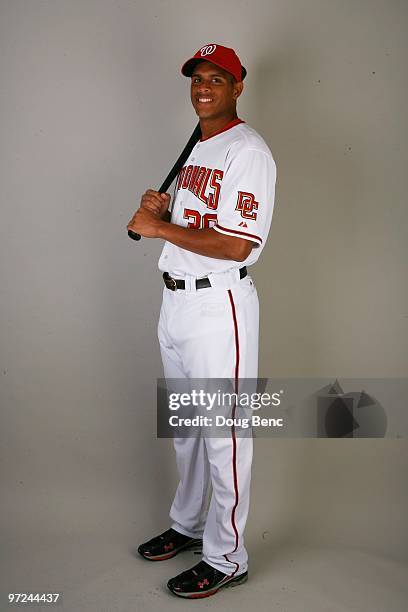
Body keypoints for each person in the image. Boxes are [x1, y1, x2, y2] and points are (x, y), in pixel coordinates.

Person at [127, 43, 277, 599]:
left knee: (225, 437)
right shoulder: (201, 144)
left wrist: (158, 230)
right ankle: (189, 525)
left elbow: (237, 245)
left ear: (239, 86)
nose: (204, 87)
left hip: (220, 309)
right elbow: (201, 220)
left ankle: (228, 555)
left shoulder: (249, 151)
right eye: (197, 79)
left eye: (218, 79)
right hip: (176, 304)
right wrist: (166, 211)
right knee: (187, 430)